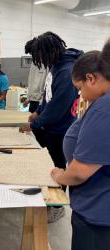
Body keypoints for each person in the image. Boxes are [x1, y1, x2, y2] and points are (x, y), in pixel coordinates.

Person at [51, 40, 110, 250]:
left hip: (98, 214)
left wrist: (59, 177)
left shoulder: (105, 109)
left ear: (91, 79)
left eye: (79, 88)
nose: (80, 94)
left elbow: (79, 173)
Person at [19, 31, 82, 222]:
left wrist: (36, 123)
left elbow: (58, 107)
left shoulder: (66, 71)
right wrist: (37, 111)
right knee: (48, 165)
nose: (39, 62)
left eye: (39, 58)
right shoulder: (55, 66)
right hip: (51, 126)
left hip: (61, 130)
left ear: (49, 52)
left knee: (58, 167)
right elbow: (49, 96)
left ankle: (57, 206)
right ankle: (46, 195)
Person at [24, 39, 48, 113]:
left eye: (33, 53)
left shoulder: (47, 64)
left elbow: (45, 85)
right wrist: (28, 98)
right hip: (33, 101)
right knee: (31, 122)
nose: (33, 56)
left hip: (41, 102)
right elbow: (31, 81)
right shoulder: (34, 63)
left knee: (39, 123)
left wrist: (41, 103)